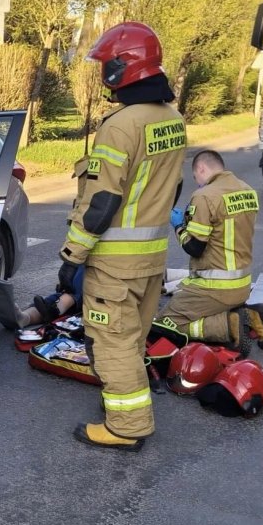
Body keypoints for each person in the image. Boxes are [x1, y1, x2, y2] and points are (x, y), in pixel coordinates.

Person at [58, 22, 188, 452]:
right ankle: (124, 409)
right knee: (131, 339)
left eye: (106, 65)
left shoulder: (121, 125)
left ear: (123, 68)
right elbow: (171, 189)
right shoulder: (172, 118)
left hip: (115, 262)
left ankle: (126, 427)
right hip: (151, 259)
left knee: (111, 342)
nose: (102, 73)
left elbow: (101, 203)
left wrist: (72, 255)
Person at [152, 150, 263, 355]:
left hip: (213, 289)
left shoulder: (204, 196)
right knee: (190, 311)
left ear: (201, 169)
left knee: (164, 325)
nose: (197, 181)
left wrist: (179, 226)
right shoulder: (247, 190)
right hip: (242, 285)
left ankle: (228, 325)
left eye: (196, 176)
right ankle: (248, 315)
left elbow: (195, 248)